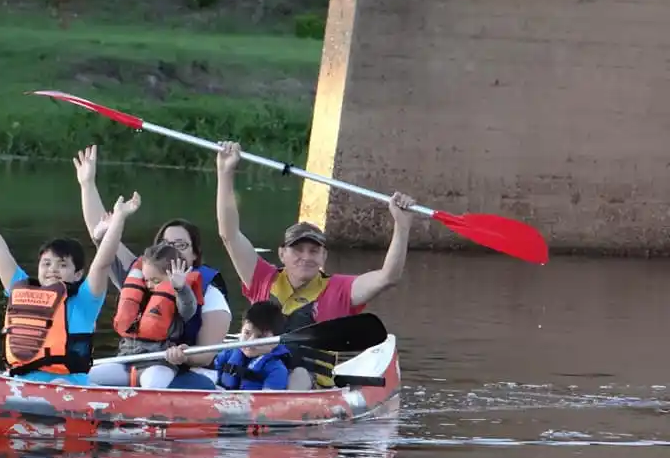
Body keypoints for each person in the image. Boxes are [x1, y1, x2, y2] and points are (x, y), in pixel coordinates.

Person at [213, 141, 415, 391]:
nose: (306, 257)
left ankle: (282, 413)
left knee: (297, 372)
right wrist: (225, 172)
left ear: (324, 257)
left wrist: (402, 226)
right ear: (282, 254)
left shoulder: (340, 290)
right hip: (258, 378)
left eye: (314, 251)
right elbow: (229, 234)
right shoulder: (261, 278)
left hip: (308, 385)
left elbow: (388, 277)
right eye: (298, 250)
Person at [74, 145, 232, 388]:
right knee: (83, 376)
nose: (174, 250)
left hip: (184, 371)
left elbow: (206, 354)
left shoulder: (210, 294)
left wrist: (182, 354)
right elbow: (105, 238)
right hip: (131, 361)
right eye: (167, 244)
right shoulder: (140, 273)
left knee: (157, 384)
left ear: (195, 254)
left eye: (181, 244)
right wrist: (87, 184)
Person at [0, 179, 139, 385]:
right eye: (47, 263)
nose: (52, 270)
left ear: (77, 274)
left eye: (62, 265)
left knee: (59, 385)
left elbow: (102, 263)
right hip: (21, 384)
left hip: (69, 387)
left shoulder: (86, 300)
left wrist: (119, 219)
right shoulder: (21, 289)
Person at [88, 233, 203, 387]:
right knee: (87, 378)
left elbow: (188, 309)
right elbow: (109, 262)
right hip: (125, 362)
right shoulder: (138, 288)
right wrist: (101, 238)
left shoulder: (178, 295)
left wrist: (181, 288)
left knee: (152, 386)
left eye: (155, 281)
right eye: (146, 279)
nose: (149, 285)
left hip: (159, 363)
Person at [212, 301, 293, 391]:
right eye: (247, 333)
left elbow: (269, 402)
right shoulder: (227, 354)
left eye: (260, 336)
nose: (251, 341)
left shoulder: (277, 370)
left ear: (275, 341)